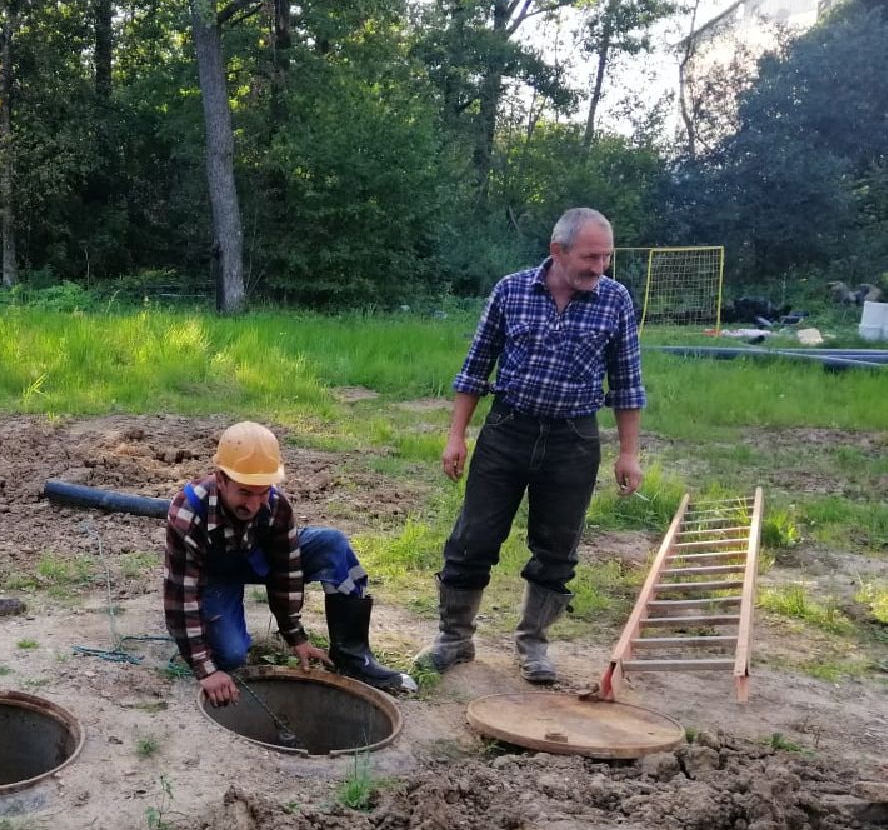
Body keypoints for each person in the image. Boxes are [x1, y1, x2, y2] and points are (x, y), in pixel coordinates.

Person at [416, 207, 646, 685]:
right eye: (590, 257)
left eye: (606, 257)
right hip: (508, 430)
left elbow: (627, 383)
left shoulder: (616, 300)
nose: (600, 267)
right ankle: (454, 638)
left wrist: (629, 453)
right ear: (557, 250)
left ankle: (533, 642)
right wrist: (456, 437)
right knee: (473, 538)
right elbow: (475, 368)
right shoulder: (511, 290)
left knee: (558, 547)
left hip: (574, 439)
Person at [164, 421, 414, 704]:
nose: (254, 505)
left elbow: (287, 571)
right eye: (245, 493)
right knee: (231, 655)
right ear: (221, 479)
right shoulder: (188, 511)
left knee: (332, 544)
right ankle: (217, 630)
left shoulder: (276, 504)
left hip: (258, 559)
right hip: (213, 573)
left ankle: (352, 656)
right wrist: (205, 669)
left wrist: (295, 637)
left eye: (262, 492)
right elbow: (182, 596)